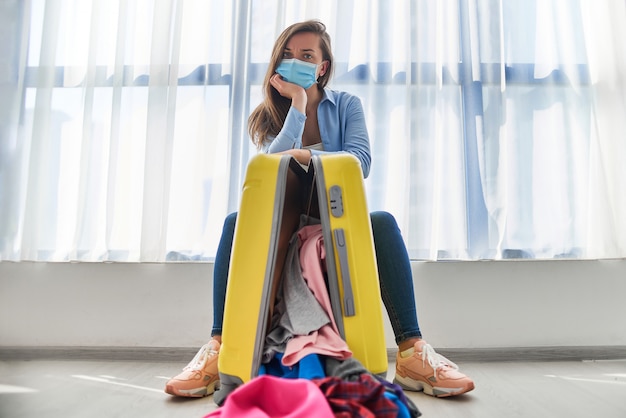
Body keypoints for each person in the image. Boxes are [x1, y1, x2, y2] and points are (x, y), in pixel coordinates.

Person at [165, 20, 474, 399]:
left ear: (322, 66)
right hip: (285, 223)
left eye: (307, 55)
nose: (296, 61)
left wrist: (304, 154)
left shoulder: (346, 105)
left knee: (382, 222)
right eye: (288, 55)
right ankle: (217, 348)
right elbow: (270, 170)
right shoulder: (268, 116)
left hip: (335, 219)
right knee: (234, 223)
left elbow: (359, 161)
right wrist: (297, 106)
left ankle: (412, 352)